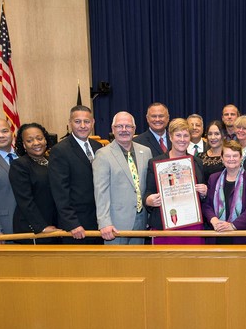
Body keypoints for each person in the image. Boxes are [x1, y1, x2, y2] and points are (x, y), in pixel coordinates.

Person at [144, 118, 208, 244]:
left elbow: (202, 197)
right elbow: (148, 194)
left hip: (192, 224)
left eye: (186, 135)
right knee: (165, 263)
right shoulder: (156, 163)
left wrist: (204, 192)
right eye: (178, 135)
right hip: (165, 225)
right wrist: (150, 200)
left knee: (193, 263)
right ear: (171, 137)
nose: (182, 139)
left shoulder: (196, 162)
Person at [93, 112, 153, 245]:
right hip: (115, 224)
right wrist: (104, 223)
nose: (124, 130)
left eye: (128, 126)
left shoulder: (146, 151)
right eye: (119, 126)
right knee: (116, 264)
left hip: (142, 220)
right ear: (113, 129)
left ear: (134, 129)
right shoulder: (103, 154)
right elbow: (100, 192)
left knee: (138, 264)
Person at [48, 105, 103, 244]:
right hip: (77, 226)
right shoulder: (60, 151)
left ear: (93, 123)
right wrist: (72, 223)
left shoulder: (98, 147)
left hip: (99, 221)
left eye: (87, 121)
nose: (83, 126)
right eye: (78, 122)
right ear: (70, 123)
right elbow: (60, 191)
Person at [9, 123, 61, 244]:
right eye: (30, 140)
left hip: (55, 225)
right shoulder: (19, 165)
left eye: (39, 138)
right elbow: (24, 200)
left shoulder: (51, 161)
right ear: (24, 144)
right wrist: (42, 227)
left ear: (46, 140)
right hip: (33, 228)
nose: (36, 143)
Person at [203, 140, 246, 244]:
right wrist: (214, 220)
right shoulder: (213, 178)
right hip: (217, 235)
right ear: (222, 158)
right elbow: (207, 205)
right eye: (227, 156)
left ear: (241, 158)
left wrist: (232, 225)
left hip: (243, 237)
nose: (231, 159)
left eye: (235, 156)